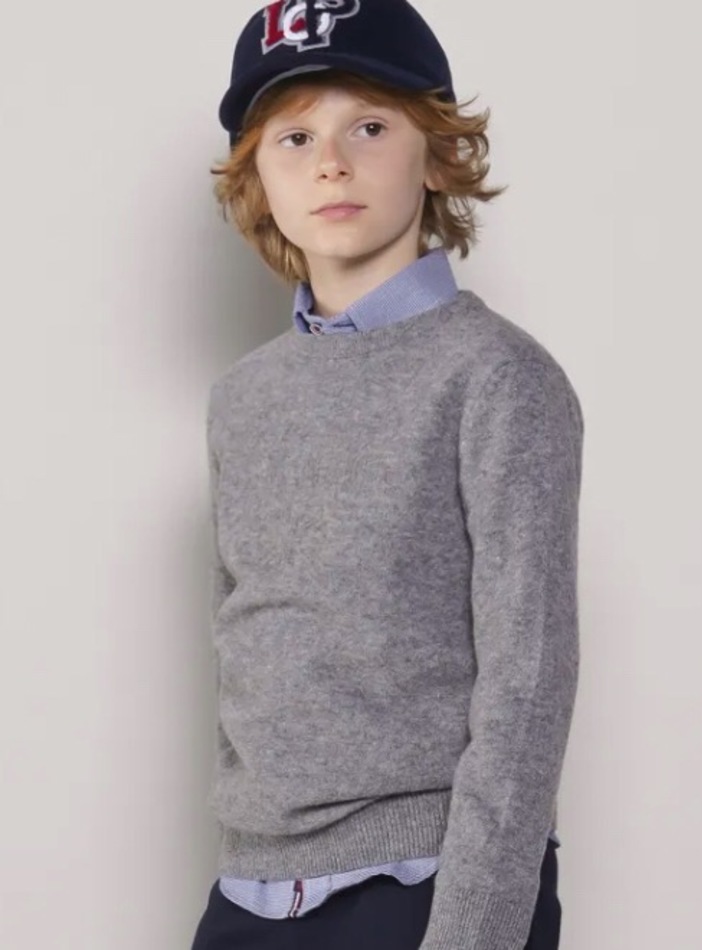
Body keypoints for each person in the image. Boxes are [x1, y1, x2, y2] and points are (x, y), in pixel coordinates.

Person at [190, 2, 584, 948]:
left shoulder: (496, 377)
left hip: (427, 885)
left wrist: (473, 930)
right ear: (258, 178)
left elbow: (529, 681)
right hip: (252, 893)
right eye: (295, 138)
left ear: (436, 154)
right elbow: (247, 647)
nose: (331, 162)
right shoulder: (242, 398)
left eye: (369, 126)